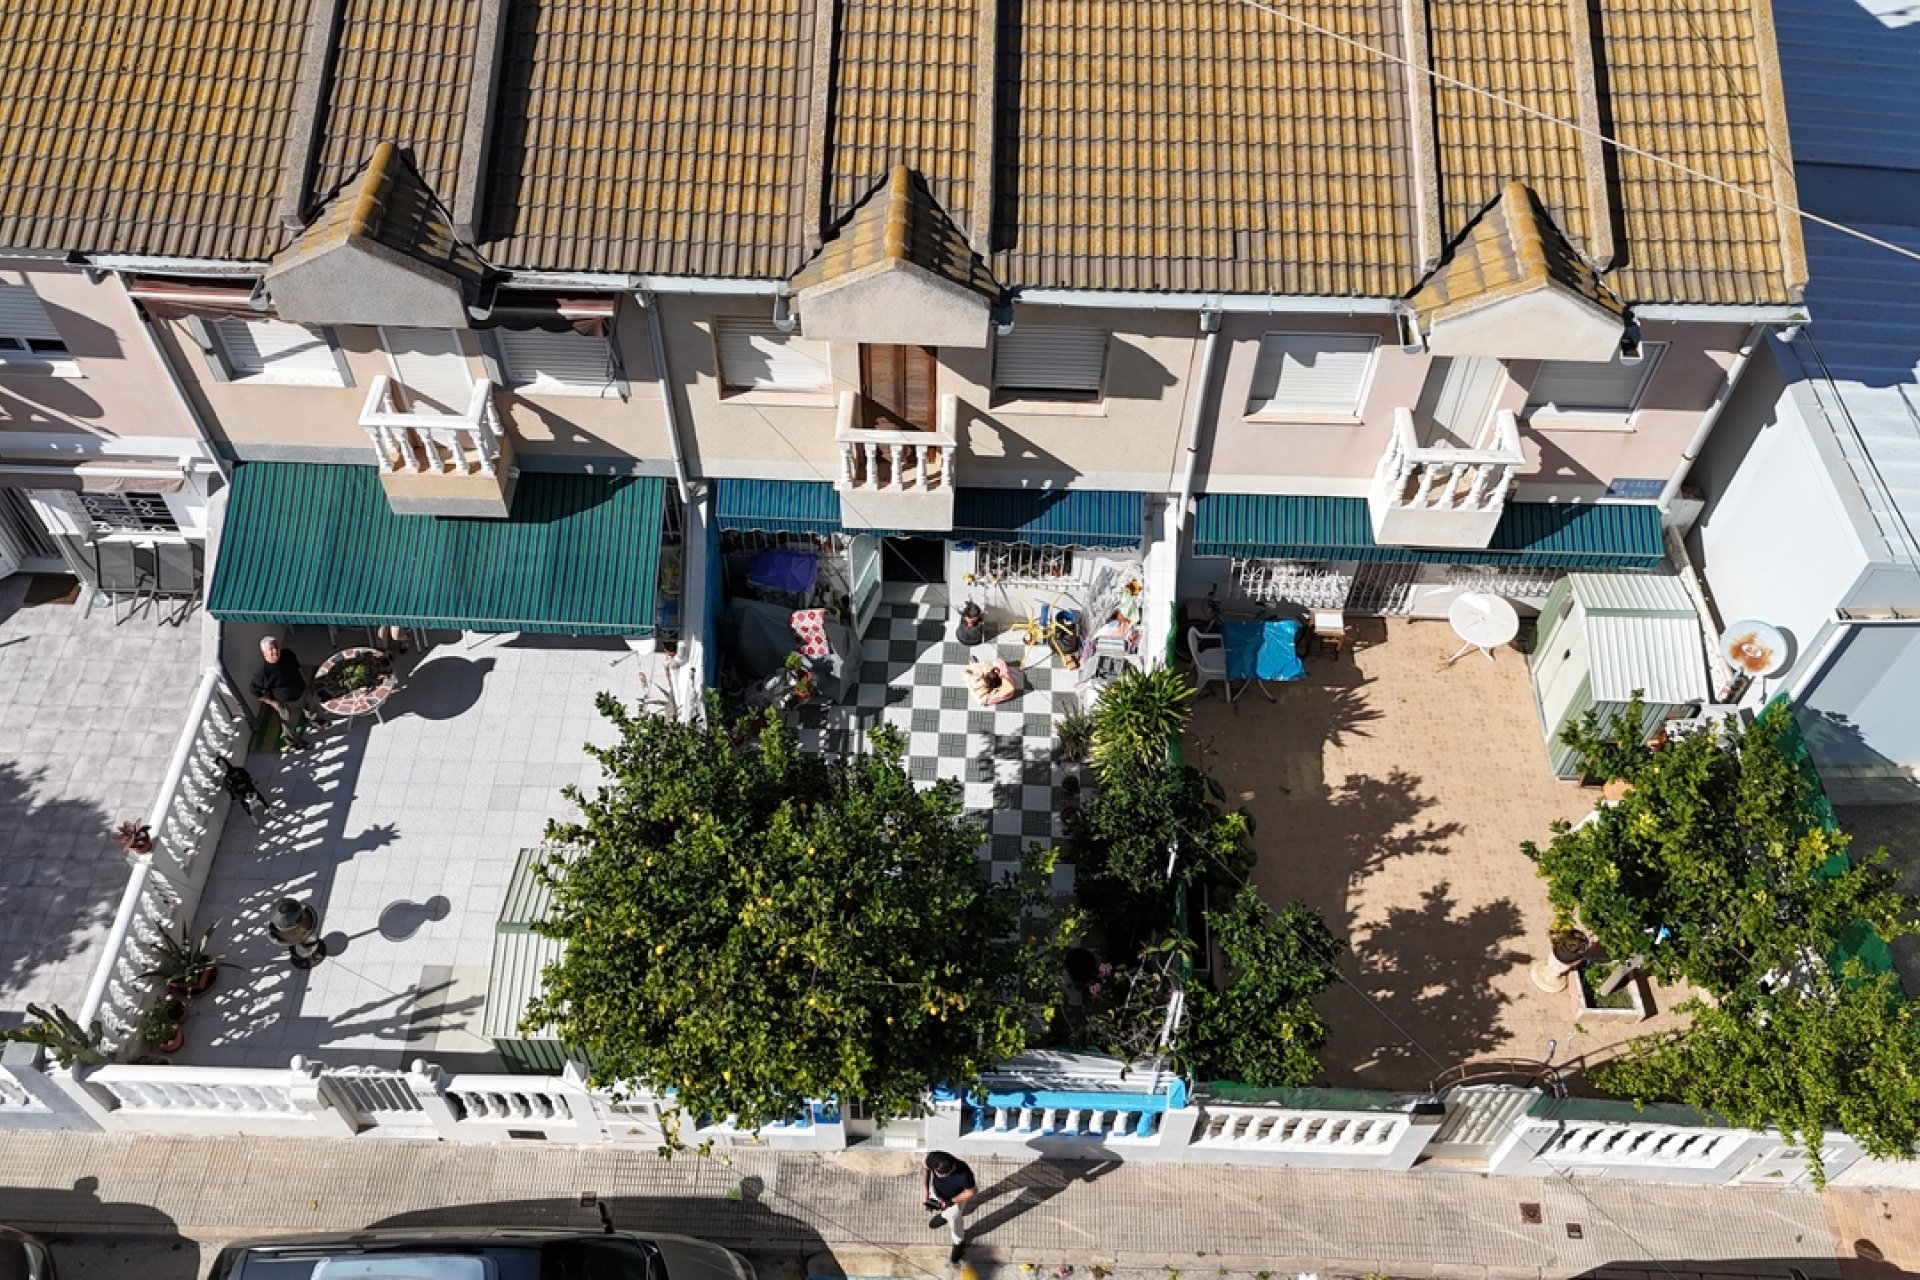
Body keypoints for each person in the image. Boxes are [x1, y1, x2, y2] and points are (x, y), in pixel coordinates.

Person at [250, 635, 332, 752]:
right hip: (286, 703)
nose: (275, 651)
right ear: (264, 653)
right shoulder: (262, 673)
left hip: (302, 690)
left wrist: (303, 679)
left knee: (311, 706)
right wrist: (273, 703)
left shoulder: (287, 654)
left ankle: (315, 720)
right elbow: (254, 691)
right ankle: (294, 742)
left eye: (276, 647)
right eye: (271, 649)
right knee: (289, 724)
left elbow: (297, 666)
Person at [922, 1149, 977, 1262]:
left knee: (955, 1223)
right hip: (937, 1193)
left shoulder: (964, 1174)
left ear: (951, 1171)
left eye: (940, 1175)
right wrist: (925, 1188)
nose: (936, 1175)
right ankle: (944, 1215)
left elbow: (971, 1192)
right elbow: (925, 1166)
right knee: (938, 1207)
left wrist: (950, 1202)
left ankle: (959, 1241)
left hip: (954, 1200)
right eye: (936, 1172)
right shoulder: (935, 1158)